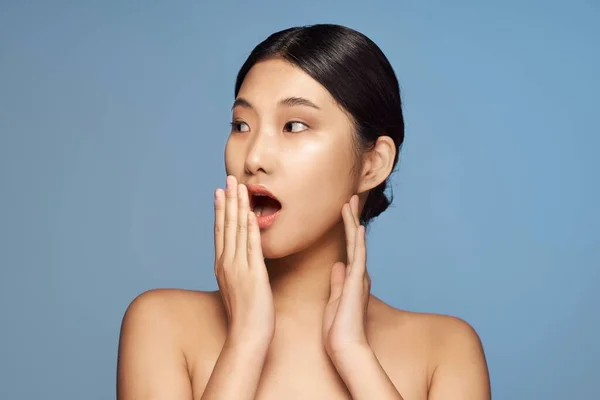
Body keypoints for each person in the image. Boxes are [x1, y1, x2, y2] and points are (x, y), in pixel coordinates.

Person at [116, 24, 491, 399]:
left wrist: (354, 355)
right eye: (241, 125)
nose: (254, 158)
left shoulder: (446, 351)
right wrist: (246, 340)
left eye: (294, 126)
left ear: (372, 164)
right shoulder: (161, 324)